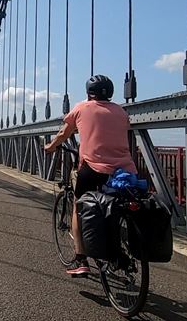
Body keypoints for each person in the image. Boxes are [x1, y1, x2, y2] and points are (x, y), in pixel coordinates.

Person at [44, 74, 137, 277]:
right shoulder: (121, 111)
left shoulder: (81, 108)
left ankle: (81, 259)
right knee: (115, 206)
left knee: (79, 207)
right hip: (125, 171)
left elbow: (63, 134)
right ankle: (118, 250)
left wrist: (51, 147)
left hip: (94, 169)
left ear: (89, 93)